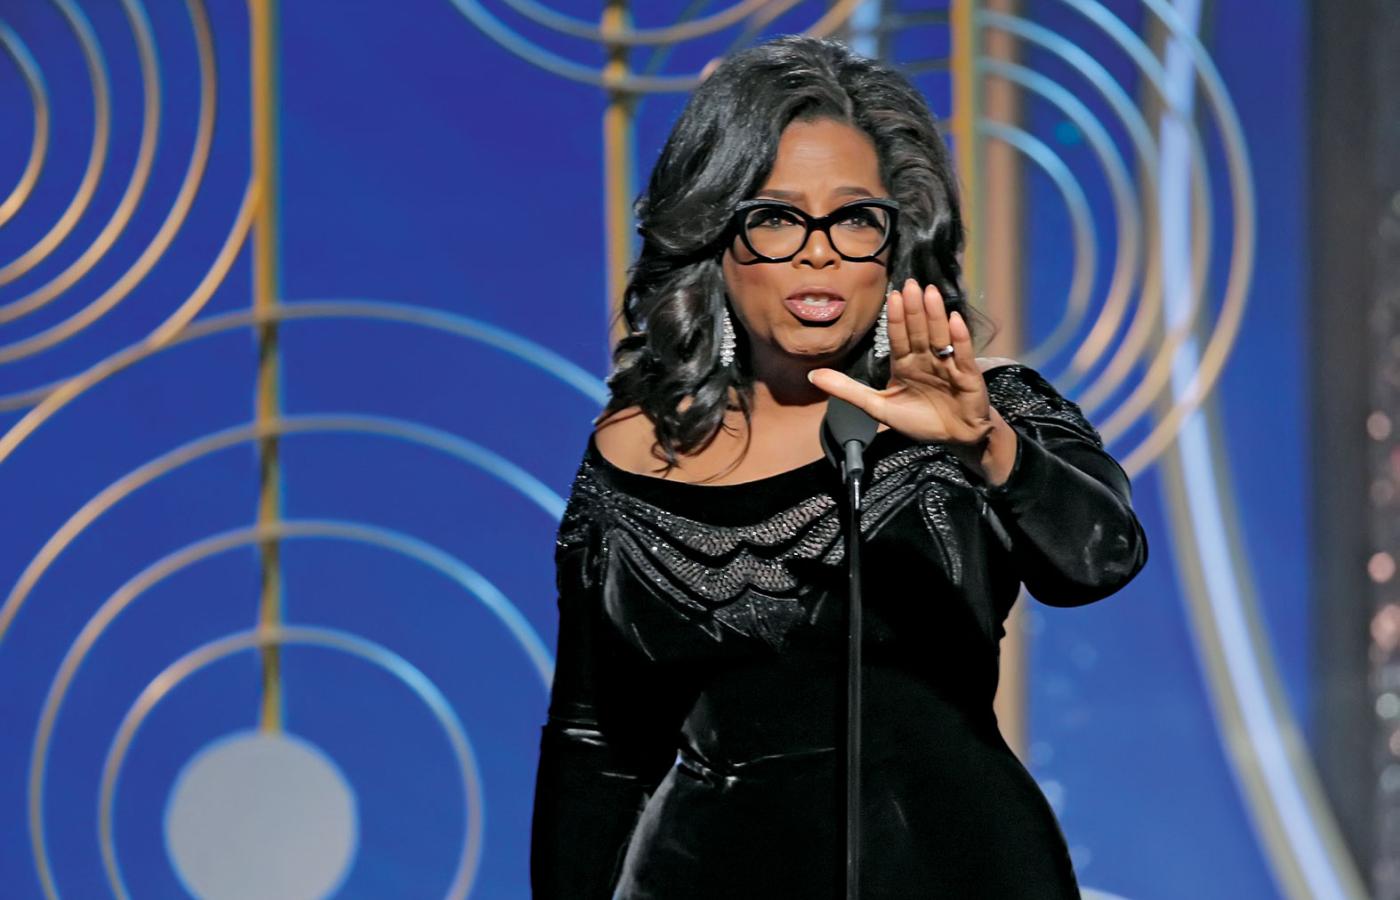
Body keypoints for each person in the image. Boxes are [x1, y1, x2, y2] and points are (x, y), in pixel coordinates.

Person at [530, 34, 1148, 899]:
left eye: (855, 218)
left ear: (895, 246)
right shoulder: (636, 447)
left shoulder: (984, 408)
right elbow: (596, 742)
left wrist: (984, 446)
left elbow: (1100, 560)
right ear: (715, 239)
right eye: (776, 217)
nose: (817, 251)